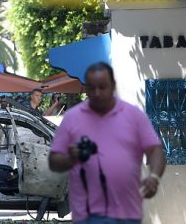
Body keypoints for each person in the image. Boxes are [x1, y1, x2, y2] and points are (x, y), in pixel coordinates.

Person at [48, 62, 166, 224]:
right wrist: (70, 158)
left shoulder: (133, 115)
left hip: (127, 213)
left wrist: (154, 177)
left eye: (102, 87)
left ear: (113, 86)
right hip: (87, 215)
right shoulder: (72, 118)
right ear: (85, 89)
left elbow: (155, 150)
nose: (97, 93)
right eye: (91, 87)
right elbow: (54, 161)